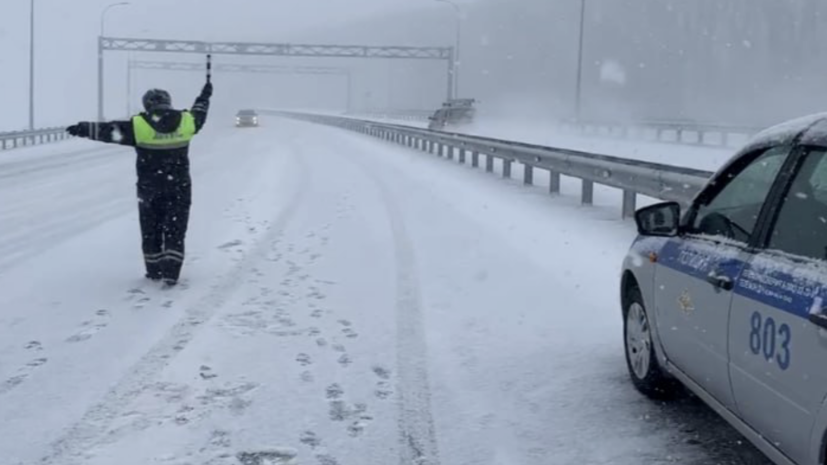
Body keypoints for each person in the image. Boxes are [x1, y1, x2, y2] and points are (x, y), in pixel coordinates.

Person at [66, 82, 213, 286]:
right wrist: (204, 96)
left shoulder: (139, 125)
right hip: (179, 187)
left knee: (151, 229)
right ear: (168, 102)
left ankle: (154, 270)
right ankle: (171, 272)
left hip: (149, 189)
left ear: (147, 105)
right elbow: (200, 114)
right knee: (175, 229)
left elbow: (108, 131)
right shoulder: (186, 122)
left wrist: (83, 128)